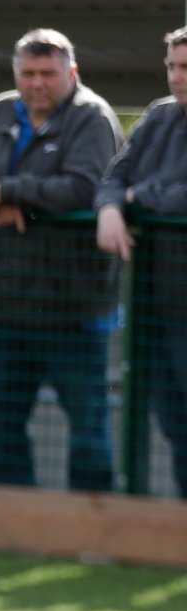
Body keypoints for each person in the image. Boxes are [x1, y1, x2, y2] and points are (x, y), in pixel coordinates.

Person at [0, 28, 123, 492]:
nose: (37, 83)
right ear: (16, 73)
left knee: (88, 430)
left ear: (72, 73)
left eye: (48, 73)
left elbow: (84, 187)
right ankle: (14, 516)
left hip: (75, 310)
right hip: (2, 305)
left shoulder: (92, 117)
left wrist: (8, 191)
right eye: (28, 73)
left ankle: (92, 522)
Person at [95, 26, 187, 497]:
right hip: (157, 304)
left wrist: (138, 196)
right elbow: (114, 177)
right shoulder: (159, 116)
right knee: (174, 424)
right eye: (171, 65)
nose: (176, 76)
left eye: (186, 67)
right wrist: (112, 207)